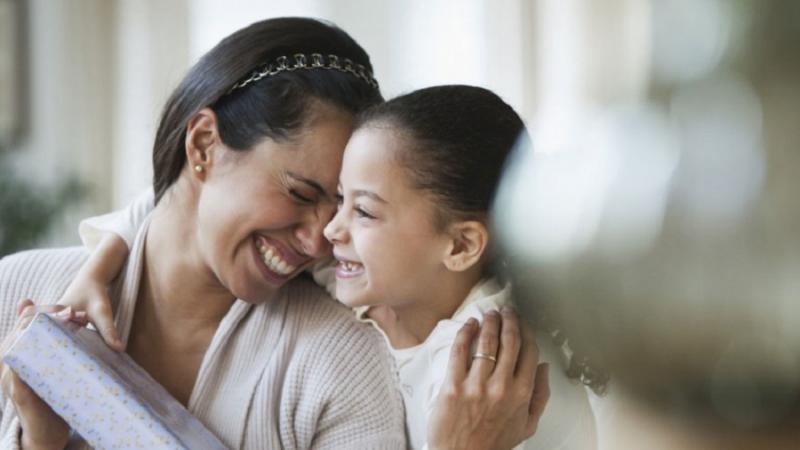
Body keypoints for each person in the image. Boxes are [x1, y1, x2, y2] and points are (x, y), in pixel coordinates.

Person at [0, 17, 546, 450]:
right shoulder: (15, 289)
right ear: (204, 146)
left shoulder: (343, 359)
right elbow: (163, 208)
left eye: (350, 207)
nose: (320, 240)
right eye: (302, 194)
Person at [323, 85, 596, 449]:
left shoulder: (485, 372)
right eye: (341, 199)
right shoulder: (375, 295)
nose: (331, 229)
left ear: (461, 246)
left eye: (364, 212)